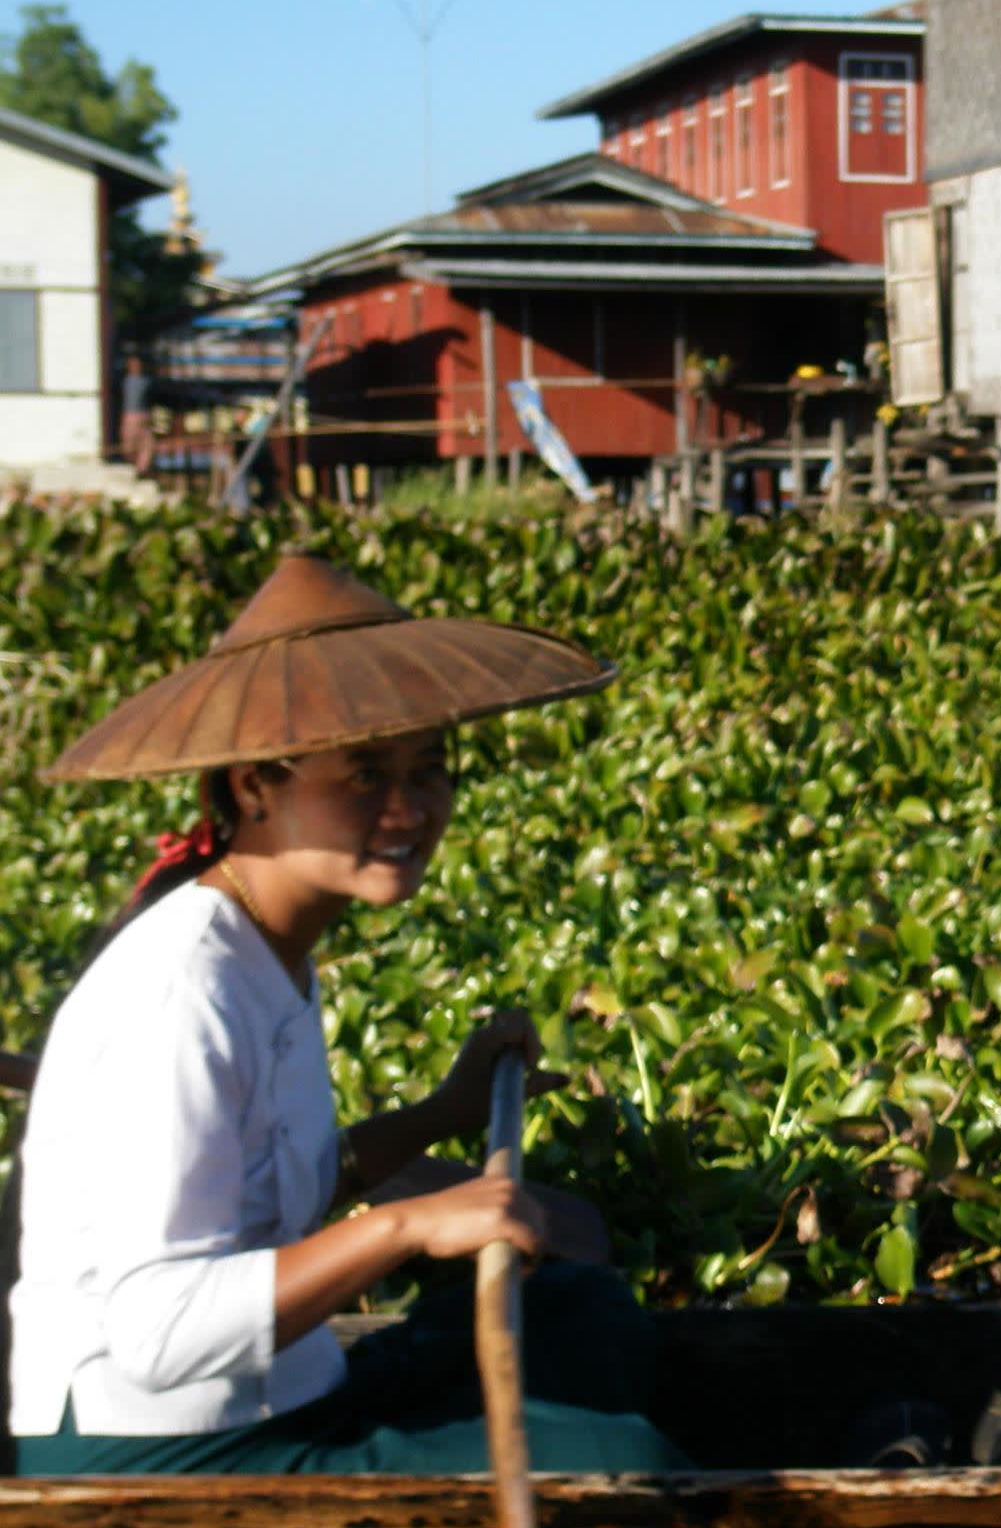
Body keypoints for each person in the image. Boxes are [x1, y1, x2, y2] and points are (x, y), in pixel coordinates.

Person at [6, 549, 688, 1476]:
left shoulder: (270, 948)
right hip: (161, 1440)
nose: (409, 810)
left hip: (284, 1386)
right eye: (365, 775)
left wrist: (439, 1118)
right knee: (622, 1461)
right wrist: (404, 1227)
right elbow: (156, 1333)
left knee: (586, 1316)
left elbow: (265, 1202)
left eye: (429, 770)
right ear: (255, 785)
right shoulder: (181, 990)